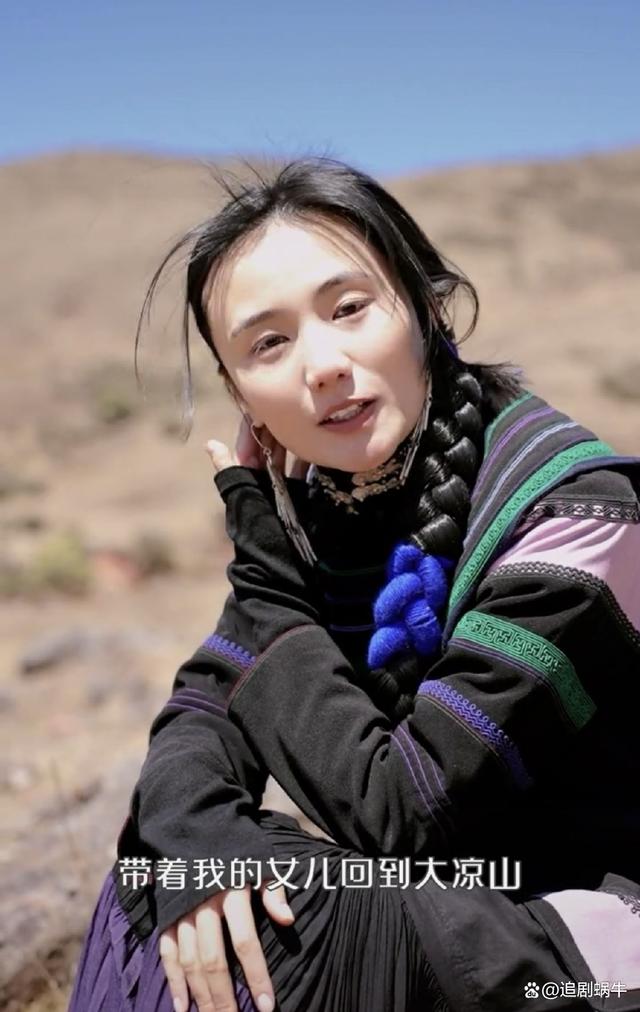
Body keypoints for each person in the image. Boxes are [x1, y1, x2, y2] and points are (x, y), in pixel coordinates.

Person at [68, 157, 640, 1012]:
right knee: (166, 881)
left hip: (594, 940)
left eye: (348, 309)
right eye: (269, 343)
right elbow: (202, 714)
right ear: (240, 394)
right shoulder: (325, 516)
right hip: (455, 909)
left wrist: (264, 578)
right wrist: (202, 840)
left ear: (425, 307)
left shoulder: (576, 515)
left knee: (273, 924)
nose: (323, 364)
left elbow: (408, 814)